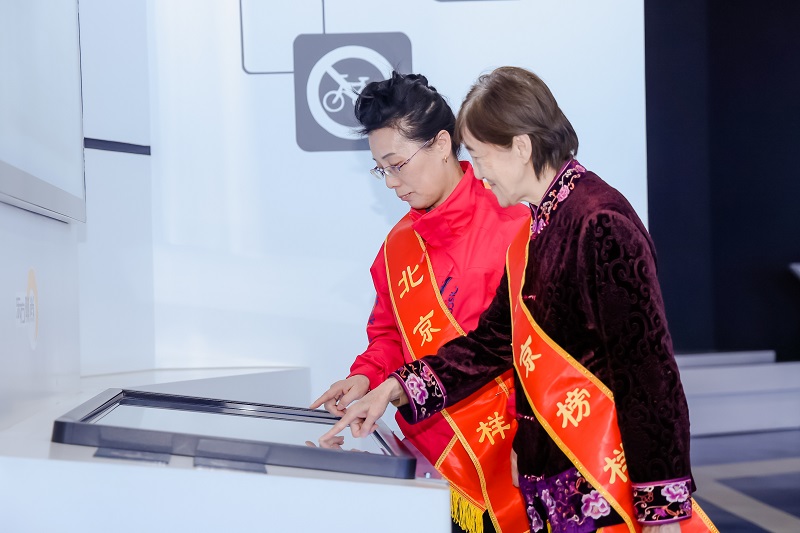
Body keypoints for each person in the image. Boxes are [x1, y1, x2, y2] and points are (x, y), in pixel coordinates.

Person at [321, 67, 718, 533]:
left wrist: (662, 506)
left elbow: (648, 373)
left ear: (521, 147)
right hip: (555, 482)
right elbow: (491, 343)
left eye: (480, 156)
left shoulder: (599, 221)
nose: (477, 172)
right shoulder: (541, 224)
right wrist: (391, 387)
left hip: (600, 477)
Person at [310, 71, 530, 533]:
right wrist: (364, 376)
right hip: (437, 455)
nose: (391, 183)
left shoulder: (513, 221)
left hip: (515, 448)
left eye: (397, 164)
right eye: (381, 169)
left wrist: (535, 436)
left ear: (442, 144)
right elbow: (391, 335)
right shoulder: (397, 247)